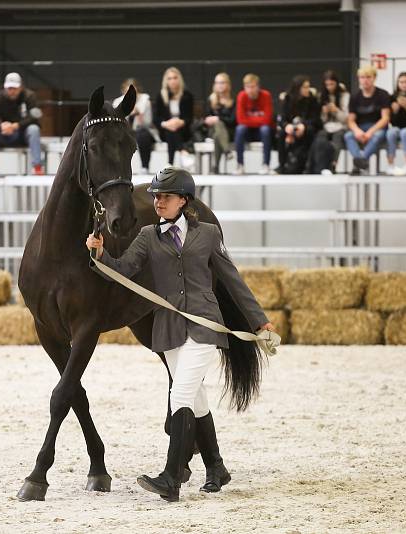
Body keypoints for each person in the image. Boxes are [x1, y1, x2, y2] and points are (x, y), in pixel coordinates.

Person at [85, 167, 275, 502]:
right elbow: (123, 270)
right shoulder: (147, 236)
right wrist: (99, 254)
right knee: (196, 399)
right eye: (156, 196)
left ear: (184, 201)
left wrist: (259, 322)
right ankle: (216, 467)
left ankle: (171, 479)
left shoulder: (209, 235)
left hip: (204, 324)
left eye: (165, 197)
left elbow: (233, 280)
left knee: (181, 396)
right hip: (169, 327)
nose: (157, 201)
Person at [0, 72, 43, 176]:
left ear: (21, 87)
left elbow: (34, 117)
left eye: (14, 88)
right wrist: (2, 125)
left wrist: (16, 125)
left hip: (22, 133)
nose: (11, 91)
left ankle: (37, 166)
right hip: (4, 133)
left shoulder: (30, 96)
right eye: (9, 88)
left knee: (34, 129)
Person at [344, 65, 391, 175]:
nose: (365, 80)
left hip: (377, 127)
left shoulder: (382, 94)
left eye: (368, 77)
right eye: (362, 77)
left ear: (374, 78)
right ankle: (361, 161)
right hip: (361, 127)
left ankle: (359, 162)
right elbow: (351, 120)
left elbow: (385, 118)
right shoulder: (355, 96)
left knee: (377, 136)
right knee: (348, 136)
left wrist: (370, 132)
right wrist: (357, 131)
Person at [275, 75, 321, 174]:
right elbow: (282, 118)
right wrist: (287, 127)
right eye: (305, 87)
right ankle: (282, 164)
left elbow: (315, 119)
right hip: (291, 127)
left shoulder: (312, 100)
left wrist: (303, 126)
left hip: (307, 127)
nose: (307, 89)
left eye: (308, 87)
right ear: (297, 88)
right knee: (281, 134)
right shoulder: (287, 99)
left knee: (310, 132)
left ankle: (308, 165)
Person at [306, 70, 349, 174]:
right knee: (320, 137)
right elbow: (320, 120)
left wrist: (336, 111)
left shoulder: (345, 96)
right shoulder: (322, 96)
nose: (329, 87)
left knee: (337, 138)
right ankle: (317, 165)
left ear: (337, 83)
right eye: (327, 85)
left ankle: (333, 164)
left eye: (332, 84)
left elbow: (346, 118)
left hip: (341, 126)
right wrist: (324, 113)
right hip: (326, 127)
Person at [113, 78, 159, 174]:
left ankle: (144, 167)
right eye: (127, 92)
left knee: (143, 135)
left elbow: (148, 123)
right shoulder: (117, 102)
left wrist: (138, 114)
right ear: (123, 92)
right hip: (124, 130)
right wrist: (128, 113)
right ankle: (118, 168)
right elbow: (115, 123)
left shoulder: (145, 101)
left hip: (142, 129)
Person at [153, 67, 194, 169]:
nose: (172, 81)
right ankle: (183, 152)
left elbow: (189, 117)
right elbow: (156, 118)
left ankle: (170, 163)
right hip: (165, 131)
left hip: (183, 131)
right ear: (166, 81)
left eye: (175, 78)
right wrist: (166, 124)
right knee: (170, 130)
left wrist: (181, 122)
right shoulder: (161, 96)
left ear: (179, 79)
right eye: (169, 78)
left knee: (174, 130)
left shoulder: (187, 96)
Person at [234, 73, 274, 175]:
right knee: (240, 129)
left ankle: (266, 165)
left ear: (258, 87)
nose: (250, 90)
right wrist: (258, 120)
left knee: (265, 129)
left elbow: (267, 120)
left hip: (261, 132)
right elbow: (240, 120)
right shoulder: (241, 96)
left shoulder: (266, 95)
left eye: (253, 87)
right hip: (247, 132)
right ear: (244, 88)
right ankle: (240, 165)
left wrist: (250, 120)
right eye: (248, 87)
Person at [201, 72, 236, 174]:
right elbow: (204, 118)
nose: (219, 85)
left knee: (218, 131)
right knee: (217, 126)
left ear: (228, 84)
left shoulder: (233, 102)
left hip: (228, 131)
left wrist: (218, 118)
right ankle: (227, 151)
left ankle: (215, 167)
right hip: (211, 131)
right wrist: (210, 120)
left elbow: (232, 120)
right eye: (217, 83)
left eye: (222, 82)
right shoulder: (210, 101)